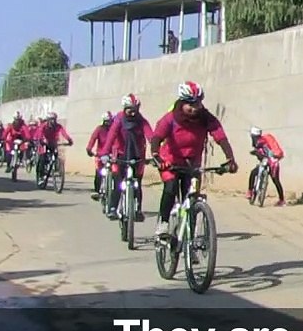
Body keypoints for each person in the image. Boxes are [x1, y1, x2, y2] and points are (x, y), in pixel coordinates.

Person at [148, 82, 239, 238]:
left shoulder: (206, 118)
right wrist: (156, 156)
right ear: (182, 103)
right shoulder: (171, 118)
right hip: (170, 162)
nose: (194, 108)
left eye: (197, 103)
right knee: (170, 188)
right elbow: (157, 137)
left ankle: (189, 239)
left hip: (193, 164)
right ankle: (163, 224)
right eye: (190, 104)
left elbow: (220, 136)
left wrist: (230, 158)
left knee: (192, 198)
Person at [103, 95, 155, 221]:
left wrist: (156, 152)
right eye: (129, 109)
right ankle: (113, 208)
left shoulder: (141, 120)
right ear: (124, 108)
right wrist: (105, 152)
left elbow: (151, 136)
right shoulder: (119, 119)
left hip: (137, 156)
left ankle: (137, 209)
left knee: (137, 183)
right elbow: (111, 135)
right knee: (118, 183)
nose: (132, 112)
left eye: (135, 109)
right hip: (121, 154)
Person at [248, 126, 287, 206]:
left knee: (253, 173)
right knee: (276, 181)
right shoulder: (264, 141)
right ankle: (282, 200)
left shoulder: (259, 143)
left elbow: (260, 155)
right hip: (274, 163)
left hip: (268, 162)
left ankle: (250, 191)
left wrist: (255, 153)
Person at [35, 112, 73, 187]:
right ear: (48, 120)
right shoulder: (43, 126)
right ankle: (41, 176)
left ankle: (56, 168)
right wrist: (41, 140)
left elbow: (64, 133)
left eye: (54, 120)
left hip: (53, 143)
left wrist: (69, 140)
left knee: (56, 154)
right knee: (42, 158)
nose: (53, 121)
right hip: (44, 143)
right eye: (51, 120)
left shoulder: (58, 126)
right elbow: (40, 133)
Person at [86, 112, 114, 200]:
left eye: (109, 121)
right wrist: (89, 149)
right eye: (106, 122)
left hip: (113, 154)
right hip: (100, 154)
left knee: (117, 174)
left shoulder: (114, 129)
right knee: (98, 173)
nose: (108, 124)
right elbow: (93, 139)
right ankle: (97, 191)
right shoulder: (99, 129)